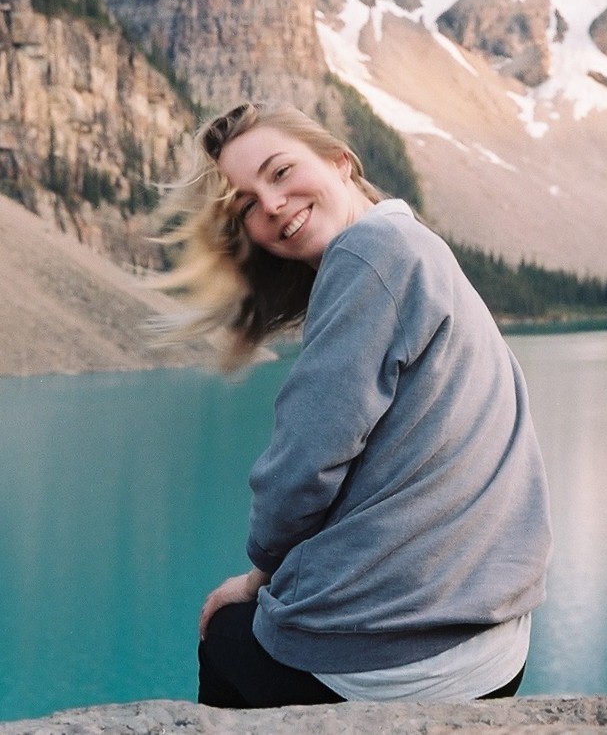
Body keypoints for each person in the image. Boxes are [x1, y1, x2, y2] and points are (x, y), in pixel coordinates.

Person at [160, 100, 552, 708]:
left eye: (281, 171)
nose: (270, 204)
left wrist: (255, 578)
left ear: (341, 161)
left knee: (227, 633)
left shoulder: (371, 255)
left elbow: (302, 466)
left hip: (410, 662)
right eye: (246, 205)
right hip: (494, 643)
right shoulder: (411, 244)